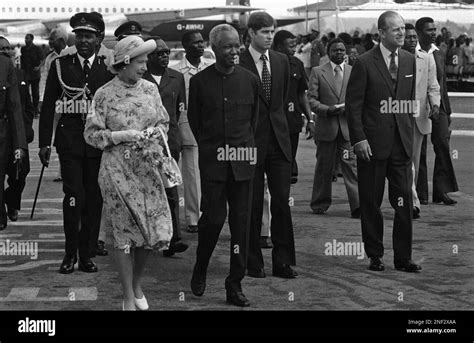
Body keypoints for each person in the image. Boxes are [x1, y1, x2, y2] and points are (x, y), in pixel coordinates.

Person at [85, 36, 173, 311]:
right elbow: (90, 134)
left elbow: (164, 122)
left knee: (150, 233)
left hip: (148, 169)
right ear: (124, 63)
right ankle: (127, 294)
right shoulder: (103, 94)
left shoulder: (150, 90)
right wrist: (117, 135)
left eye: (146, 61)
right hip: (116, 171)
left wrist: (154, 134)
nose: (145, 66)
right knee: (123, 234)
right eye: (140, 61)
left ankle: (137, 283)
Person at [188, 24, 259, 307]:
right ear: (213, 49)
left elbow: (253, 122)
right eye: (227, 47)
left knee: (241, 225)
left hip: (243, 165)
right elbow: (195, 121)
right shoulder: (200, 82)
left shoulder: (250, 80)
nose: (234, 51)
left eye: (236, 46)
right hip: (214, 163)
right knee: (213, 220)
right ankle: (201, 265)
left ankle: (235, 283)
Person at [346, 11, 421, 273]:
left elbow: (409, 103)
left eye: (403, 28)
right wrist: (359, 140)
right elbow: (353, 107)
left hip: (401, 145)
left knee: (404, 203)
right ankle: (375, 255)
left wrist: (409, 135)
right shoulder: (364, 63)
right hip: (372, 147)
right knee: (371, 202)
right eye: (395, 29)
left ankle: (403, 258)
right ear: (381, 33)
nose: (402, 33)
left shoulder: (411, 61)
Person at [39, 13, 114, 274]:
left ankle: (87, 254)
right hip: (69, 142)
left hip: (97, 144)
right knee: (74, 196)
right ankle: (70, 253)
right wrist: (44, 143)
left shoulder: (108, 68)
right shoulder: (61, 65)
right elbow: (49, 106)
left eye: (89, 36)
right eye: (79, 35)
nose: (83, 40)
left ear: (99, 39)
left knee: (94, 199)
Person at [239, 12, 297, 279]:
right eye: (264, 32)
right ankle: (252, 261)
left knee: (281, 204)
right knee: (250, 205)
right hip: (250, 143)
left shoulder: (282, 60)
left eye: (272, 31)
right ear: (251, 33)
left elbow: (283, 102)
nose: (270, 36)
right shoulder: (238, 60)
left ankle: (283, 261)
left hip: (279, 142)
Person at [144, 38, 188, 257]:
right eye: (159, 53)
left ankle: (174, 238)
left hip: (169, 143)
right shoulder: (139, 77)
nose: (164, 56)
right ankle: (149, 237)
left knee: (171, 189)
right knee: (146, 190)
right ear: (149, 56)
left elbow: (178, 111)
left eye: (166, 52)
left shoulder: (177, 78)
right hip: (142, 144)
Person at [308, 38, 360, 218]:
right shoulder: (317, 72)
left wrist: (351, 108)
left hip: (347, 129)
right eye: (335, 50)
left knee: (351, 167)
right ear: (328, 53)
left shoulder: (354, 72)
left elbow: (359, 97)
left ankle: (358, 205)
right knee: (323, 168)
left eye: (342, 50)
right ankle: (319, 204)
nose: (339, 53)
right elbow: (311, 100)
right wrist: (326, 110)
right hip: (326, 128)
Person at [170, 30, 213, 234]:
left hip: (210, 125)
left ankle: (209, 214)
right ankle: (193, 218)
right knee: (192, 174)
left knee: (210, 174)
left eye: (201, 42)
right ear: (185, 46)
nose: (200, 45)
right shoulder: (177, 71)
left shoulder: (211, 67)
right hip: (187, 126)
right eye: (195, 43)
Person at [415, 17, 458, 206]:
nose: (433, 33)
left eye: (434, 29)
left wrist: (446, 112)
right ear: (418, 32)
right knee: (420, 150)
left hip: (438, 107)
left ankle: (441, 190)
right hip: (416, 107)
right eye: (429, 30)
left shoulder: (438, 54)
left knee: (442, 145)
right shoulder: (409, 52)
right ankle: (420, 193)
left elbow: (442, 86)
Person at [402, 23, 440, 219]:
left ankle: (411, 200)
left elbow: (433, 86)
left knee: (413, 162)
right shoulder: (393, 59)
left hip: (418, 118)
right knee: (401, 163)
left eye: (413, 37)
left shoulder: (426, 59)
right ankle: (406, 200)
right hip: (394, 117)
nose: (411, 41)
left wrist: (435, 105)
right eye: (407, 37)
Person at [272, 30, 314, 184]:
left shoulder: (297, 64)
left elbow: (302, 94)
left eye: (294, 46)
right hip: (273, 121)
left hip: (292, 121)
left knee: (290, 156)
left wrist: (310, 119)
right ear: (278, 47)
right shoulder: (267, 64)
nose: (293, 49)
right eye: (290, 46)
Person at [0, 37, 34, 223]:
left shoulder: (20, 74)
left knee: (21, 173)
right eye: (2, 49)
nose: (6, 51)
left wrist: (26, 128)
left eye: (8, 48)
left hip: (18, 134)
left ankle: (10, 201)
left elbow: (26, 106)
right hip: (3, 132)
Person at [40, 27, 68, 183]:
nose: (50, 43)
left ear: (62, 41)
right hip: (55, 104)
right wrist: (42, 100)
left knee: (67, 138)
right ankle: (60, 171)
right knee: (54, 137)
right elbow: (44, 80)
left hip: (70, 105)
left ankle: (64, 171)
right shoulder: (50, 59)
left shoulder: (71, 55)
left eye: (52, 40)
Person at [21, 33, 44, 117]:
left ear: (31, 39)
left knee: (35, 93)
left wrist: (39, 67)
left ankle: (36, 111)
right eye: (25, 38)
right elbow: (22, 61)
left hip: (34, 75)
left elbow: (42, 59)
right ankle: (27, 110)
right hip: (26, 74)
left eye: (27, 38)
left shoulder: (37, 49)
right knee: (25, 92)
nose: (25, 40)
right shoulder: (23, 49)